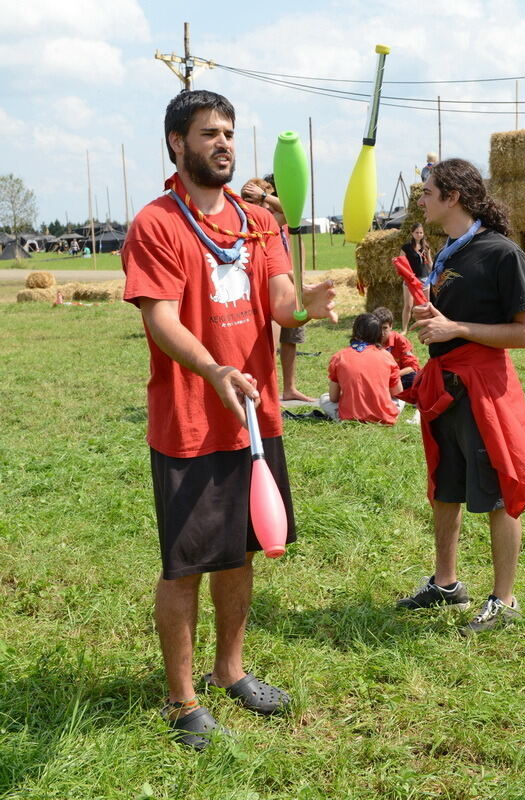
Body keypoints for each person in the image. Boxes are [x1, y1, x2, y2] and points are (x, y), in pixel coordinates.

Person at [121, 89, 336, 752]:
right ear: (176, 144)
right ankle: (182, 700)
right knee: (186, 564)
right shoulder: (156, 223)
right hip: (189, 420)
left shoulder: (256, 221)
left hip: (253, 418)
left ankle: (229, 670)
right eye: (209, 133)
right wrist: (213, 370)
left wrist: (303, 311)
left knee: (239, 552)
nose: (223, 143)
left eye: (229, 133)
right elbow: (159, 319)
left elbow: (277, 300)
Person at [396, 158, 525, 635]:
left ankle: (504, 599)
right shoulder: (450, 253)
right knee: (445, 487)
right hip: (445, 387)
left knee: (499, 492)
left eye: (427, 189)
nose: (421, 197)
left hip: (483, 389)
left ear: (452, 196)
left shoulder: (500, 253)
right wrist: (432, 318)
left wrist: (455, 327)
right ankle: (446, 583)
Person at [241, 177, 315, 403]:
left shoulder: (275, 219)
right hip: (269, 289)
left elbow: (292, 212)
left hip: (290, 287)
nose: (269, 207)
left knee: (290, 340)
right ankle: (265, 392)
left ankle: (290, 389)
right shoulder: (247, 222)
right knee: (268, 347)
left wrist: (265, 197)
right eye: (264, 201)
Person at [319, 313, 403, 424]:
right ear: (378, 333)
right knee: (401, 400)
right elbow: (398, 393)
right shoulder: (387, 356)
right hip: (383, 416)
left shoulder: (339, 356)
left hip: (350, 415)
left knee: (324, 398)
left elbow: (333, 398)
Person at [372, 305, 421, 425]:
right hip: (377, 379)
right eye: (378, 328)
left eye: (385, 328)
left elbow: (413, 367)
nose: (381, 333)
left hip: (399, 378)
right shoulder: (370, 340)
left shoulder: (400, 341)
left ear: (391, 327)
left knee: (416, 378)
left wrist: (392, 375)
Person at [399, 222, 432, 333]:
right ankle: (404, 329)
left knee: (426, 305)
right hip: (410, 280)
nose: (419, 234)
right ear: (412, 233)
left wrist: (434, 275)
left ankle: (428, 327)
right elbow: (401, 264)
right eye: (416, 232)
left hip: (425, 279)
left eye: (421, 232)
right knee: (408, 305)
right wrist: (408, 277)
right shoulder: (406, 247)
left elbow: (430, 263)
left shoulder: (426, 247)